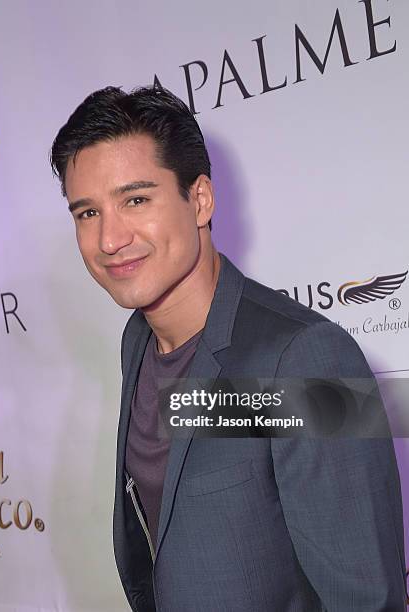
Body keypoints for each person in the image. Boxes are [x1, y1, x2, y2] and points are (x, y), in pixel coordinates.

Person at [49, 85, 406, 611]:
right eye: (87, 213)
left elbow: (368, 600)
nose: (109, 239)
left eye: (136, 200)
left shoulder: (308, 361)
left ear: (199, 200)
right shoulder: (137, 341)